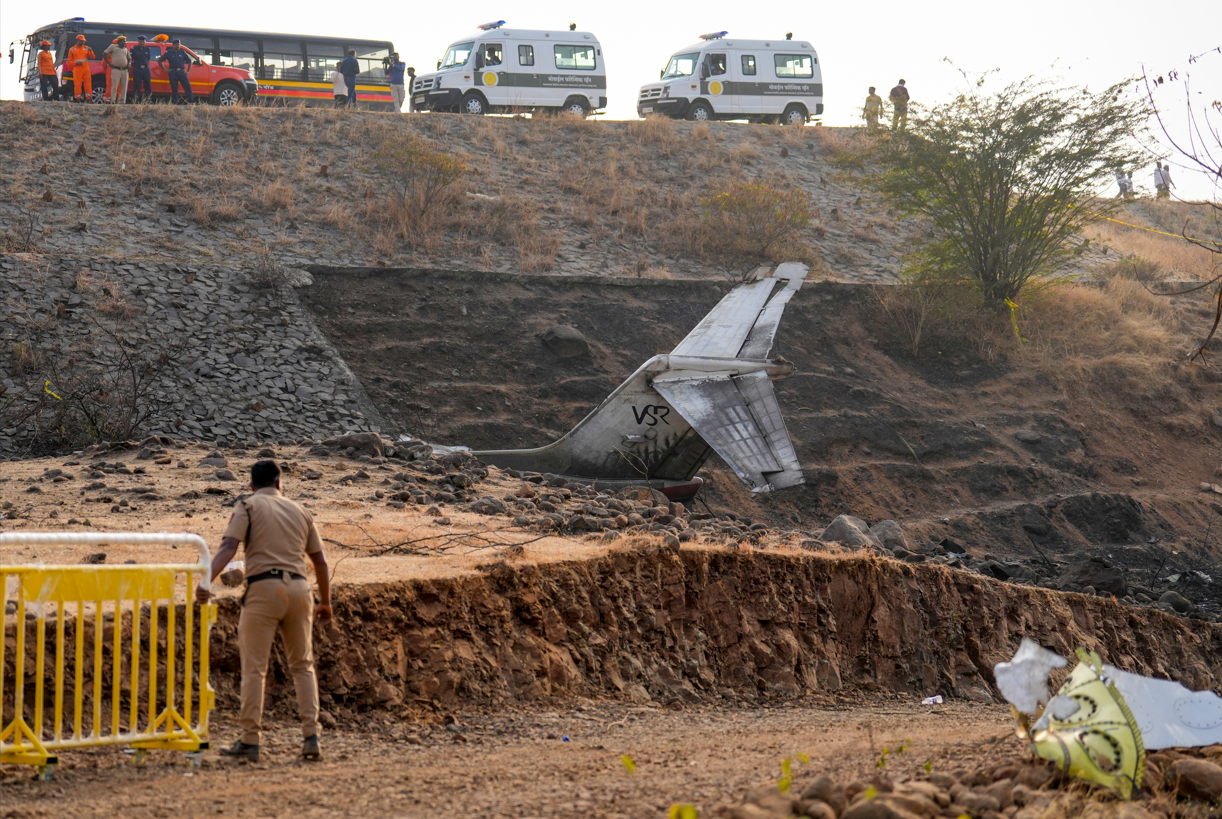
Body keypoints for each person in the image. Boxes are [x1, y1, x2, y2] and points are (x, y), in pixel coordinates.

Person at [195, 460, 331, 763]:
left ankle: (250, 740)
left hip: (263, 590)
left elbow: (229, 546)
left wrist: (206, 581)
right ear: (280, 484)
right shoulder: (301, 510)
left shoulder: (247, 505)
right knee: (303, 665)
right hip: (300, 589)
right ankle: (311, 737)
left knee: (255, 667)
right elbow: (320, 561)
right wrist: (326, 602)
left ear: (251, 486)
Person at [157, 39, 194, 104]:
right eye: (176, 44)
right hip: (173, 72)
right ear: (173, 45)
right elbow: (160, 60)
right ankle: (176, 101)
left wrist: (188, 71)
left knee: (187, 86)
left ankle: (190, 101)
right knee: (174, 88)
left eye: (179, 44)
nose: (178, 45)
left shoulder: (182, 53)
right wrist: (165, 69)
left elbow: (189, 61)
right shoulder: (169, 53)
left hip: (182, 72)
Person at [65, 35, 95, 102]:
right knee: (77, 84)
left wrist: (91, 51)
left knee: (88, 83)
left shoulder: (86, 48)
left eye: (83, 41)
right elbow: (69, 62)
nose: (82, 42)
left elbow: (93, 57)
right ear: (77, 40)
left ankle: (88, 98)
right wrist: (76, 63)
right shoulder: (72, 49)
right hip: (77, 69)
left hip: (86, 68)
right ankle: (78, 98)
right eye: (81, 41)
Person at [103, 35, 130, 103]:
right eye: (123, 41)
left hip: (124, 70)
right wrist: (109, 64)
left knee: (124, 87)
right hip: (116, 69)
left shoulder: (125, 49)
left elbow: (130, 58)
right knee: (114, 86)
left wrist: (129, 64)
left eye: (125, 42)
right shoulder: (113, 47)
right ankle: (113, 100)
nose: (125, 43)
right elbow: (104, 54)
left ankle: (122, 101)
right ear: (119, 42)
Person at [130, 35, 153, 103]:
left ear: (145, 41)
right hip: (137, 69)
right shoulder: (134, 49)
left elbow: (148, 59)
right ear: (138, 41)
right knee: (137, 84)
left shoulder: (147, 49)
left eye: (143, 41)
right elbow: (130, 59)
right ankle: (136, 100)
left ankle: (148, 99)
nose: (142, 43)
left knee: (147, 84)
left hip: (146, 69)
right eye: (140, 41)